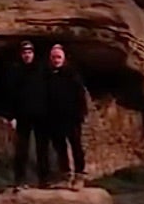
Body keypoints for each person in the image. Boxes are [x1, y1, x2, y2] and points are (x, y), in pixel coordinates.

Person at [43, 43, 89, 189]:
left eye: (58, 57)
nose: (56, 60)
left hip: (71, 117)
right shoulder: (48, 75)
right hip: (54, 118)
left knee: (76, 145)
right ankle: (65, 175)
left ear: (63, 58)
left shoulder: (72, 74)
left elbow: (80, 95)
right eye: (53, 57)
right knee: (60, 147)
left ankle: (79, 175)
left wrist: (80, 114)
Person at [5, 40, 49, 189]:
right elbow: (10, 95)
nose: (27, 55)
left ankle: (44, 180)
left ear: (33, 54)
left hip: (41, 115)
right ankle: (20, 180)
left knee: (42, 148)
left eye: (29, 52)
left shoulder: (41, 70)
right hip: (22, 115)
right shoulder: (15, 71)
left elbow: (48, 93)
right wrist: (11, 117)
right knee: (21, 149)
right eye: (24, 52)